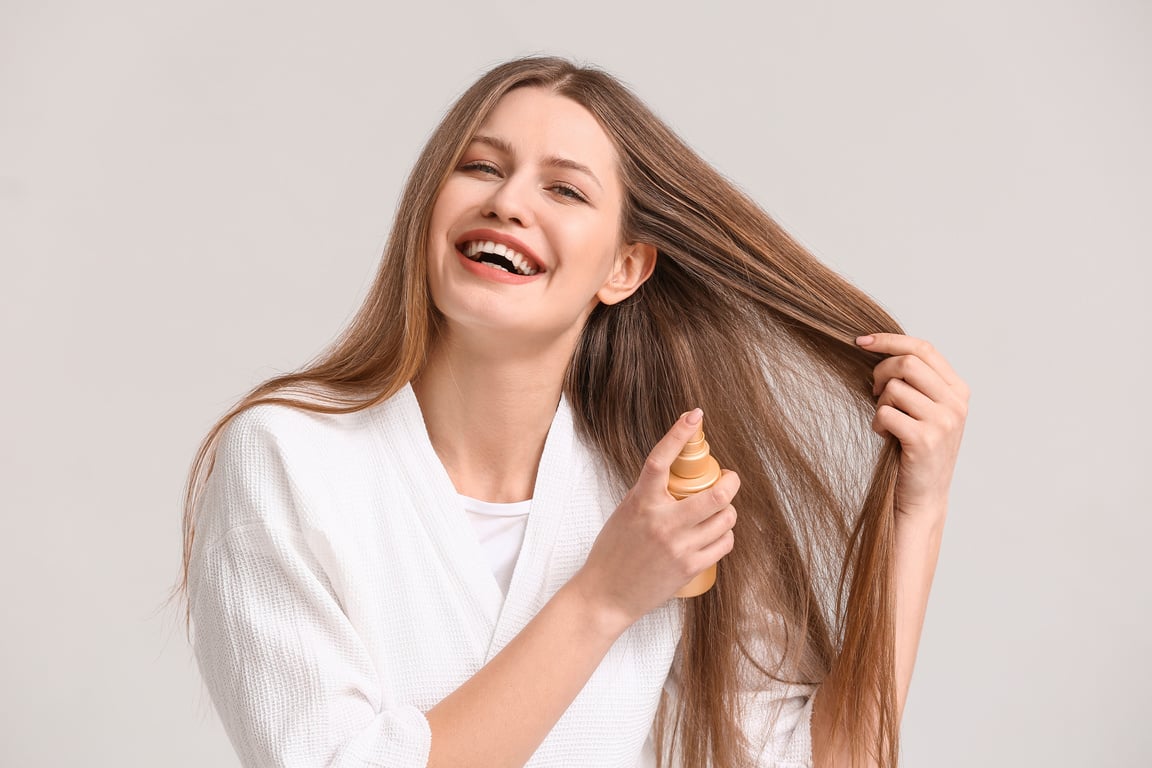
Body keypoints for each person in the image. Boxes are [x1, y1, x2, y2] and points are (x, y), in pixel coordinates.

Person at [180, 56, 968, 768]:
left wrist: (918, 511)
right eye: (481, 166)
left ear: (625, 268)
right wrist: (603, 597)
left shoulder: (657, 499)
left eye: (563, 188)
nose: (507, 201)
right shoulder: (288, 459)